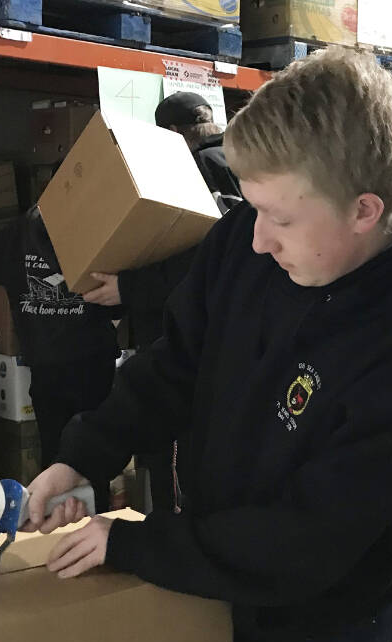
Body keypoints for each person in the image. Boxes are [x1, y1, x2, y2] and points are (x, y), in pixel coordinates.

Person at [23, 48, 392, 642]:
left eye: (279, 218)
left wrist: (136, 544)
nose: (258, 239)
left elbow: (313, 535)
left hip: (327, 624)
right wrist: (84, 456)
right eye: (253, 207)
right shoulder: (246, 239)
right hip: (216, 568)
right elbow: (175, 362)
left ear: (364, 210)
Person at [82, 91, 245, 515]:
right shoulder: (237, 163)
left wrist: (131, 288)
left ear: (172, 133)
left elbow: (202, 258)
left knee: (171, 457)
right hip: (221, 343)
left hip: (183, 335)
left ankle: (171, 532)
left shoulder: (197, 168)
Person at [0, 206, 120, 512]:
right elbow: (119, 301)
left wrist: (18, 278)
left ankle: (56, 519)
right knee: (96, 446)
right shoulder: (97, 233)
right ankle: (96, 516)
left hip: (45, 362)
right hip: (92, 360)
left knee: (54, 448)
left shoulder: (17, 233)